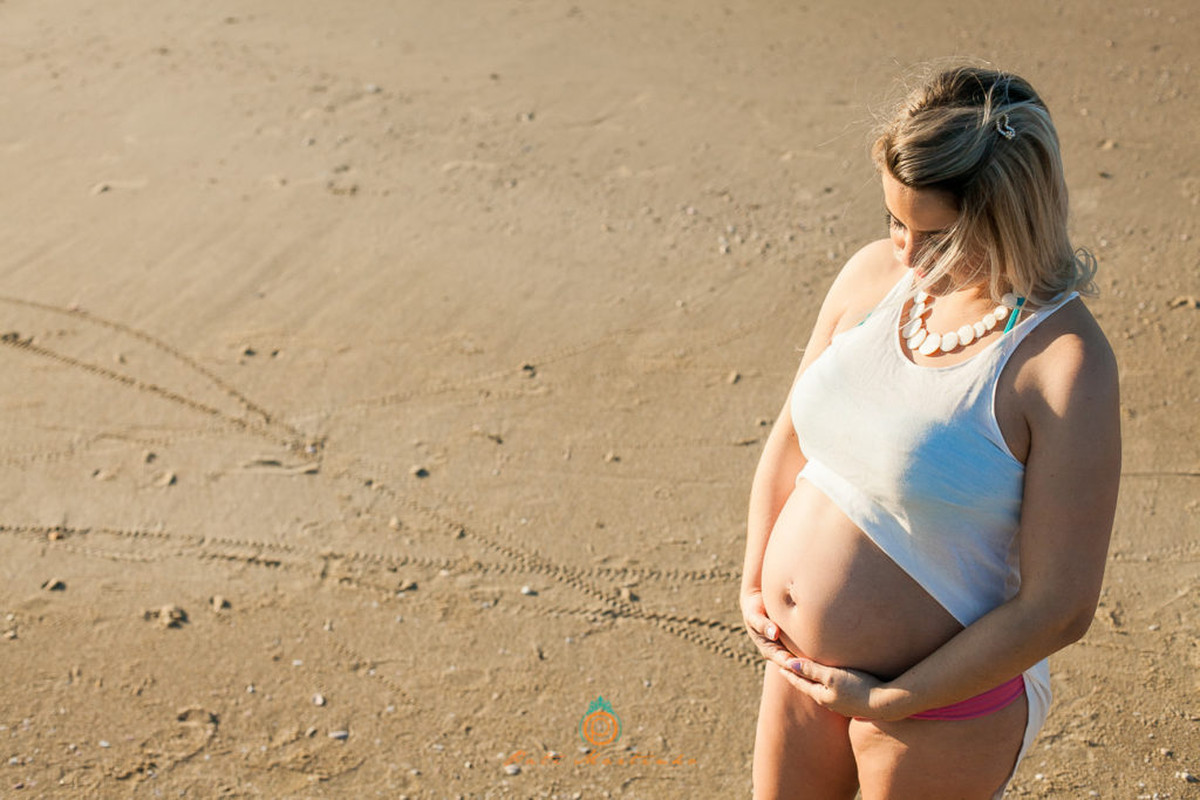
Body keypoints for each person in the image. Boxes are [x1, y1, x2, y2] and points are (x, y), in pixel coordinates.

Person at [740, 66, 1121, 800]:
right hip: (795, 666)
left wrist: (891, 700)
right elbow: (792, 436)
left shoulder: (1064, 364)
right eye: (894, 221)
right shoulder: (872, 276)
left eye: (937, 235)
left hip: (940, 709)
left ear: (1009, 217)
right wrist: (755, 581)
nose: (906, 256)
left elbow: (1061, 606)